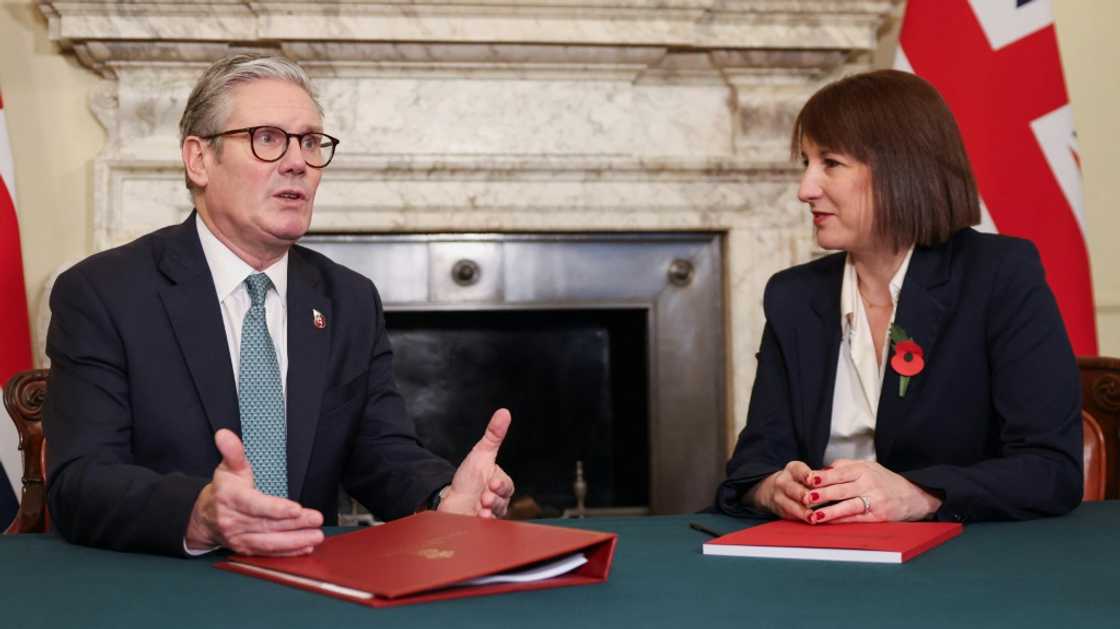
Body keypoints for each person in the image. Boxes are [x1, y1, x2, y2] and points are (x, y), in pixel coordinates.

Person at [44, 53, 514, 557]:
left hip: (312, 585)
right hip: (166, 588)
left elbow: (378, 451)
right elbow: (81, 481)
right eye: (267, 138)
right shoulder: (103, 293)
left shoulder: (348, 299)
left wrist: (443, 498)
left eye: (311, 142)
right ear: (199, 159)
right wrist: (199, 513)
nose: (297, 162)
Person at [716, 69, 1082, 524]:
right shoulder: (794, 295)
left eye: (829, 163)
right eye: (805, 164)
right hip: (817, 560)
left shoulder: (999, 275)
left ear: (899, 168)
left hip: (965, 563)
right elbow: (751, 465)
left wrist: (918, 495)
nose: (804, 190)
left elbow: (1051, 470)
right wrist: (772, 489)